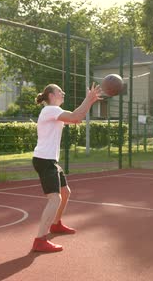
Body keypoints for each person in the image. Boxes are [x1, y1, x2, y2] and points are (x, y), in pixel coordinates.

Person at [31, 83, 102, 252]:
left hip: (50, 160)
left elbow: (76, 118)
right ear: (51, 96)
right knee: (55, 199)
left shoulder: (54, 112)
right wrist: (89, 98)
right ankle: (40, 240)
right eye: (59, 91)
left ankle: (56, 224)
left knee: (65, 192)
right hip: (44, 160)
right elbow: (75, 115)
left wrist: (90, 102)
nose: (63, 93)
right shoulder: (50, 110)